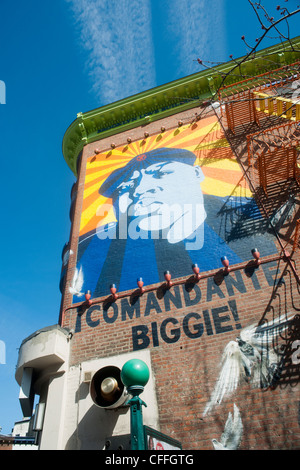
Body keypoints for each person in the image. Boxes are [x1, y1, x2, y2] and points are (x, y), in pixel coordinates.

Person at [73, 147, 278, 300]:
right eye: (126, 187)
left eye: (161, 173)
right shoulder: (87, 252)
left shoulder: (253, 211)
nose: (140, 190)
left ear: (197, 174)